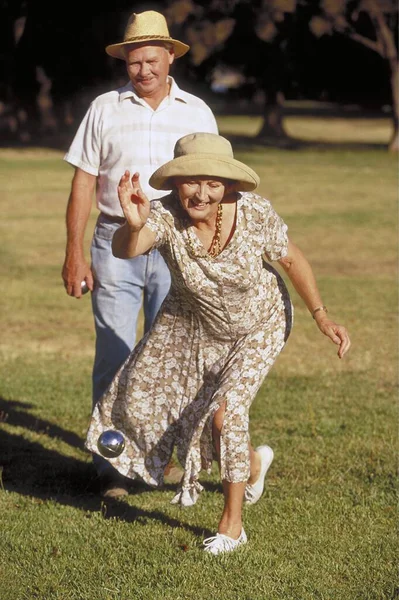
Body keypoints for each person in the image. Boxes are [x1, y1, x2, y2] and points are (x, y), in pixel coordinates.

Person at [85, 132, 351, 555]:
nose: (201, 193)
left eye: (212, 183)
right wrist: (133, 224)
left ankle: (232, 527)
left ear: (228, 185)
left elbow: (291, 258)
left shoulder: (255, 213)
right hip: (195, 327)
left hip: (259, 324)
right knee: (144, 397)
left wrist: (321, 315)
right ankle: (255, 462)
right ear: (176, 183)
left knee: (225, 417)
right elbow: (127, 250)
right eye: (191, 181)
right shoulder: (165, 216)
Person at [61, 11, 218, 497]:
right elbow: (83, 180)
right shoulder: (105, 109)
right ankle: (111, 465)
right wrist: (73, 252)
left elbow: (217, 183)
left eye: (151, 59)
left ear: (170, 57)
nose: (143, 70)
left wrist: (211, 250)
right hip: (114, 245)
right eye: (134, 61)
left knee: (170, 358)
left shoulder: (197, 111)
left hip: (175, 244)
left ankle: (155, 457)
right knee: (115, 353)